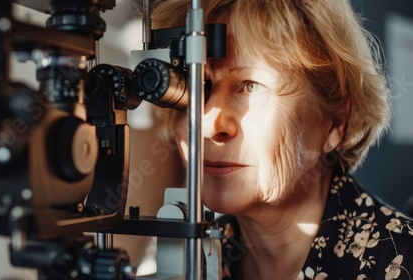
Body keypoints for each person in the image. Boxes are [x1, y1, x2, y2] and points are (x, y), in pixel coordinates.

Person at [149, 0, 413, 279]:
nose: (208, 124)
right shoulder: (195, 262)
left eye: (251, 86)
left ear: (335, 121)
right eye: (197, 86)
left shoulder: (402, 261)